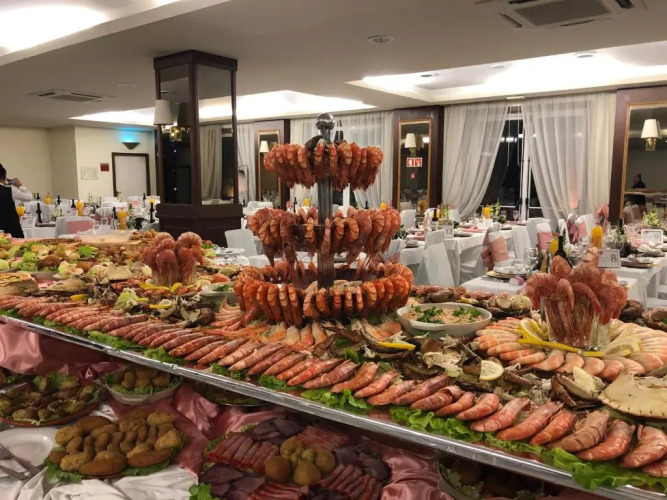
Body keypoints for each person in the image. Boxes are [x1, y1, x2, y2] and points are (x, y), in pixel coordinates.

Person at [0, 164, 24, 238]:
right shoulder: (9, 190)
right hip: (12, 229)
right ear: (3, 176)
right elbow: (29, 197)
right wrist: (20, 185)